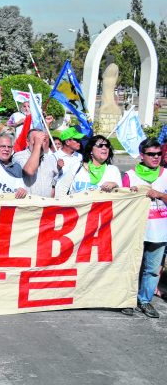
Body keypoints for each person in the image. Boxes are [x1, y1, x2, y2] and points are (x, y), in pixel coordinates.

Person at [120, 138, 167, 318]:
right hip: (136, 231)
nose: (156, 157)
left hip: (159, 231)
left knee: (153, 270)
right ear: (142, 155)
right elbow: (121, 203)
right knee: (132, 267)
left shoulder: (165, 174)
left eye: (158, 154)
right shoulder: (131, 176)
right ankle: (128, 300)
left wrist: (160, 195)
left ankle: (145, 300)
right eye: (151, 154)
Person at [55, 135, 121, 195]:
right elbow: (61, 189)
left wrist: (115, 185)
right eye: (100, 145)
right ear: (91, 151)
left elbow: (121, 195)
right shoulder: (77, 167)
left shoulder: (113, 170)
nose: (104, 148)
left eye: (107, 145)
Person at [12, 129, 59, 197]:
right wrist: (37, 144)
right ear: (28, 142)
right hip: (28, 205)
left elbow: (53, 185)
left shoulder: (51, 159)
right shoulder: (19, 156)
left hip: (46, 205)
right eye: (36, 139)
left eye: (43, 139)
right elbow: (30, 171)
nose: (40, 141)